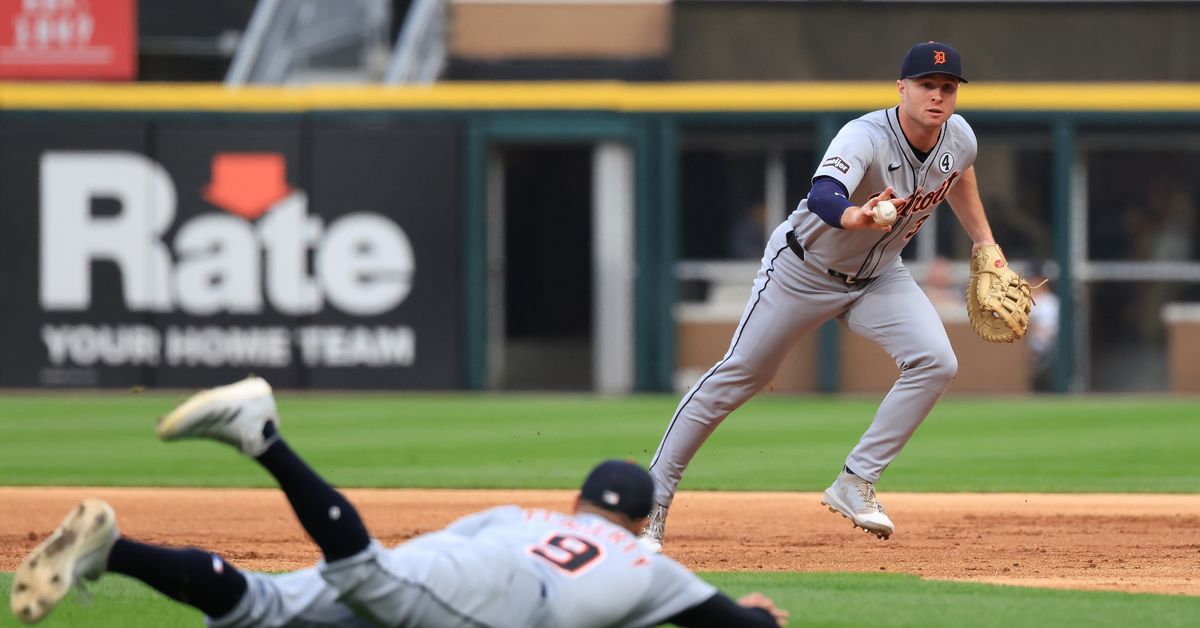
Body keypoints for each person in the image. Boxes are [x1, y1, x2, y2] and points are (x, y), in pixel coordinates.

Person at [10, 377, 787, 627]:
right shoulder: (647, 563)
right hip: (510, 599)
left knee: (265, 608)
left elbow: (450, 544)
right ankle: (263, 438)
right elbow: (736, 625)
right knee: (365, 576)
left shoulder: (528, 514)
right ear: (637, 520)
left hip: (465, 558)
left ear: (578, 502)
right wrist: (756, 613)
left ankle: (112, 549)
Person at [642, 41, 1008, 550]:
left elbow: (961, 173)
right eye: (926, 85)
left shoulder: (959, 137)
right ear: (901, 88)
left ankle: (855, 481)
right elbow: (823, 194)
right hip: (803, 270)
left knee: (935, 361)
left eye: (948, 88)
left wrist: (985, 242)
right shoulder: (864, 136)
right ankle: (652, 503)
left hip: (879, 274)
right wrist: (857, 215)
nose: (938, 96)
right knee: (742, 374)